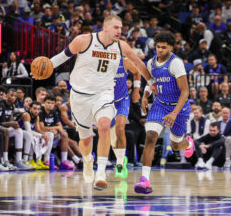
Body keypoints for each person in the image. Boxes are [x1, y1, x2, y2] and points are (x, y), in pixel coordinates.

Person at [41, 15, 152, 190]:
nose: (119, 31)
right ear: (105, 28)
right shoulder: (84, 40)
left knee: (105, 125)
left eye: (121, 28)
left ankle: (100, 172)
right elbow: (62, 57)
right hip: (79, 96)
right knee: (85, 141)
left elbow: (139, 64)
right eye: (116, 27)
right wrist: (45, 67)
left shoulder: (121, 46)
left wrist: (152, 83)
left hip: (104, 94)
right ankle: (87, 160)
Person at [135, 32, 192, 194]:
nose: (159, 50)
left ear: (171, 47)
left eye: (163, 47)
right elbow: (151, 83)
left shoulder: (176, 64)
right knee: (151, 136)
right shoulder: (151, 63)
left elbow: (185, 92)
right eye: (157, 46)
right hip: (160, 105)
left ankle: (188, 143)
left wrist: (174, 113)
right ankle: (144, 179)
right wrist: (145, 96)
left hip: (178, 108)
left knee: (175, 145)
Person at [110, 57, 141, 179]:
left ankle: (120, 162)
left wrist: (136, 90)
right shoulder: (100, 60)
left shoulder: (125, 61)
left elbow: (137, 72)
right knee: (111, 135)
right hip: (108, 100)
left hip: (122, 100)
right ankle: (120, 156)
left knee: (119, 128)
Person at [39, 96, 74, 170]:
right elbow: (42, 128)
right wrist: (55, 128)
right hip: (43, 134)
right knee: (51, 134)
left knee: (64, 133)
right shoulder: (41, 111)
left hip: (53, 133)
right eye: (48, 103)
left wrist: (57, 130)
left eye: (52, 103)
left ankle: (64, 161)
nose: (50, 105)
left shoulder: (54, 112)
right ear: (44, 103)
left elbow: (59, 125)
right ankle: (46, 160)